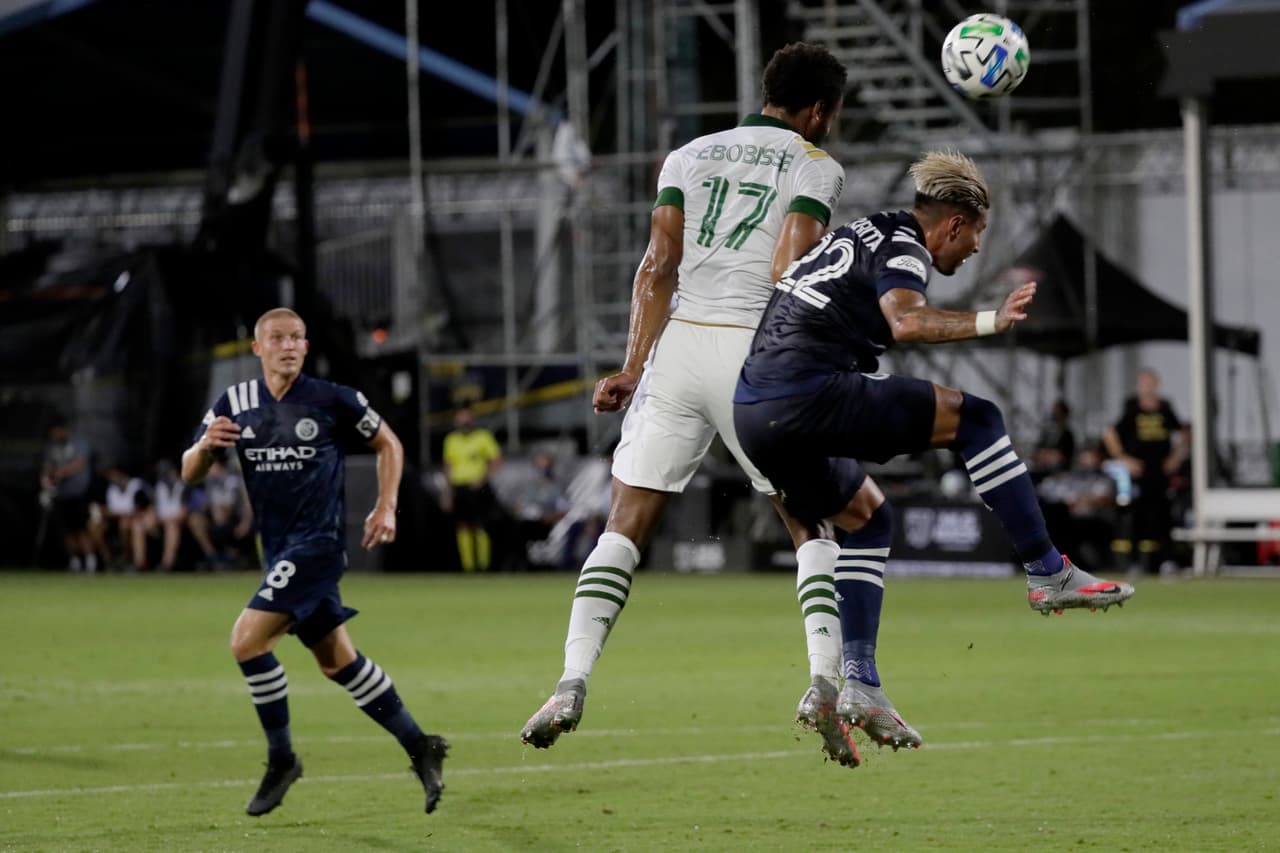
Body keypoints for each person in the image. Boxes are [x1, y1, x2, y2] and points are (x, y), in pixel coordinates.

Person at [521, 42, 860, 767]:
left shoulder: (687, 156)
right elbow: (791, 267)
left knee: (624, 524)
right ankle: (823, 682)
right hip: (755, 353)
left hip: (677, 352)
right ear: (818, 111)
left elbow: (658, 266)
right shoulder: (815, 165)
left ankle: (571, 680)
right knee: (809, 522)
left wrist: (631, 366)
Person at [732, 150, 1136, 750]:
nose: (975, 248)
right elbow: (907, 321)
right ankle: (1048, 572)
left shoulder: (862, 232)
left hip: (752, 413)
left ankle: (860, 683)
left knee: (868, 518)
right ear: (953, 224)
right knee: (978, 419)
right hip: (807, 394)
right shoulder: (905, 244)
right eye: (976, 234)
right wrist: (989, 320)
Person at [180, 307, 447, 817]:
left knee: (246, 641)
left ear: (306, 347)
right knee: (338, 662)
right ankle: (421, 745)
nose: (288, 346)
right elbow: (189, 471)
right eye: (277, 338)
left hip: (318, 547)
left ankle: (282, 759)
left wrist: (386, 505)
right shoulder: (234, 404)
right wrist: (205, 448)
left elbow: (388, 442)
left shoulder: (333, 399)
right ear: (258, 348)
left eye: (297, 338)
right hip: (277, 552)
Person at [1103, 368, 1190, 574]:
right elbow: (1110, 434)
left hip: (1160, 473)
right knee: (1135, 515)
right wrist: (1124, 459)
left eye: (1151, 384)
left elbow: (1184, 434)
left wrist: (1176, 458)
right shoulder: (1132, 408)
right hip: (1138, 474)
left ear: (1157, 385)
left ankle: (1166, 561)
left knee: (1163, 516)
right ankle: (1134, 563)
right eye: (1144, 384)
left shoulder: (1165, 408)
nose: (1148, 388)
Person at [441, 406, 502, 572]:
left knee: (480, 525)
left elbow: (496, 460)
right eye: (460, 420)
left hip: (478, 488)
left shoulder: (483, 437)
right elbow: (448, 466)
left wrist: (483, 479)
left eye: (466, 420)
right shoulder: (451, 440)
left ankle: (484, 566)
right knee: (463, 525)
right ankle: (468, 567)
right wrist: (448, 492)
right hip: (459, 487)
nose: (464, 423)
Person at [40, 421, 97, 572]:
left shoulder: (79, 444)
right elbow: (47, 467)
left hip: (79, 494)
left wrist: (60, 473)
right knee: (66, 531)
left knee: (81, 528)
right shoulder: (52, 447)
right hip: (61, 495)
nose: (54, 436)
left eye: (56, 433)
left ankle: (90, 560)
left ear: (62, 430)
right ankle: (74, 560)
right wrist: (46, 480)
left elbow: (79, 464)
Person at [103, 465, 156, 571]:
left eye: (114, 475)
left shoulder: (137, 485)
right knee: (124, 524)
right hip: (124, 523)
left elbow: (149, 505)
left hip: (146, 519)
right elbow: (111, 511)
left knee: (135, 526)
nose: (112, 478)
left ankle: (139, 563)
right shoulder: (112, 489)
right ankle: (126, 559)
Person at [1031, 398, 1076, 477]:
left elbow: (1062, 457)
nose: (1055, 415)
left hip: (1060, 474)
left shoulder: (1067, 435)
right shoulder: (1046, 433)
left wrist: (1048, 455)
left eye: (1058, 413)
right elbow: (1036, 453)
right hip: (1042, 472)